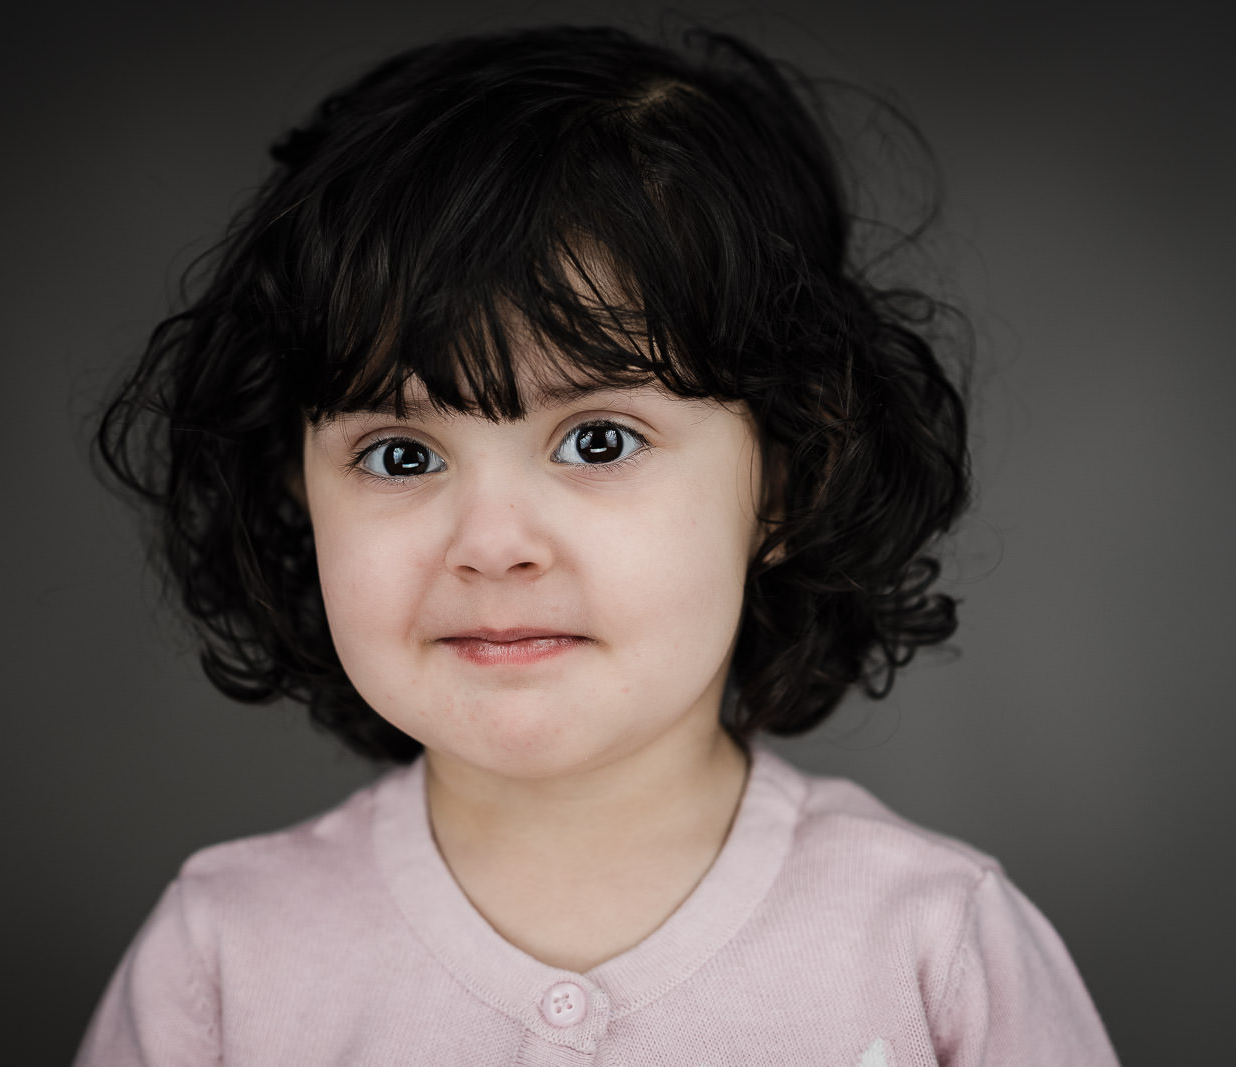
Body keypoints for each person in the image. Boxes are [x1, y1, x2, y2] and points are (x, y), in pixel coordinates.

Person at [77, 24, 1117, 1066]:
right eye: (399, 455)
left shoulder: (934, 948)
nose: (491, 544)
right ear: (293, 494)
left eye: (597, 439)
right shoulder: (222, 961)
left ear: (788, 479)